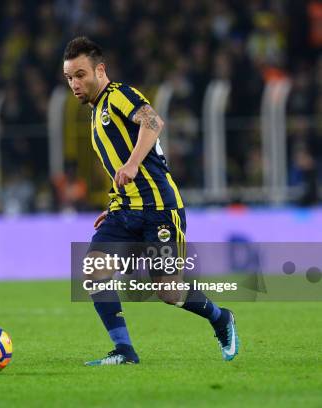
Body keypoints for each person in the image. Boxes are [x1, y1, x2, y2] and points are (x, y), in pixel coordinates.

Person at [62, 36, 239, 365]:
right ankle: (125, 351)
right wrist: (116, 200)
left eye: (81, 74)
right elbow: (124, 169)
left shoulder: (119, 95)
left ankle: (221, 318)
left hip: (159, 209)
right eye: (69, 77)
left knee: (169, 291)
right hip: (126, 210)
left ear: (100, 70)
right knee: (93, 270)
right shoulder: (96, 113)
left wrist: (131, 163)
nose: (75, 83)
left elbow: (154, 122)